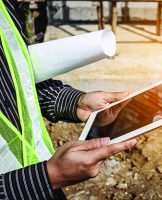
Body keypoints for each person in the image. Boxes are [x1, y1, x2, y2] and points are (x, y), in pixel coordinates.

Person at [0, 0, 137, 199]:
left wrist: (74, 102)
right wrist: (50, 176)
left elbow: (14, 82)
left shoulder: (5, 6)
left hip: (43, 185)